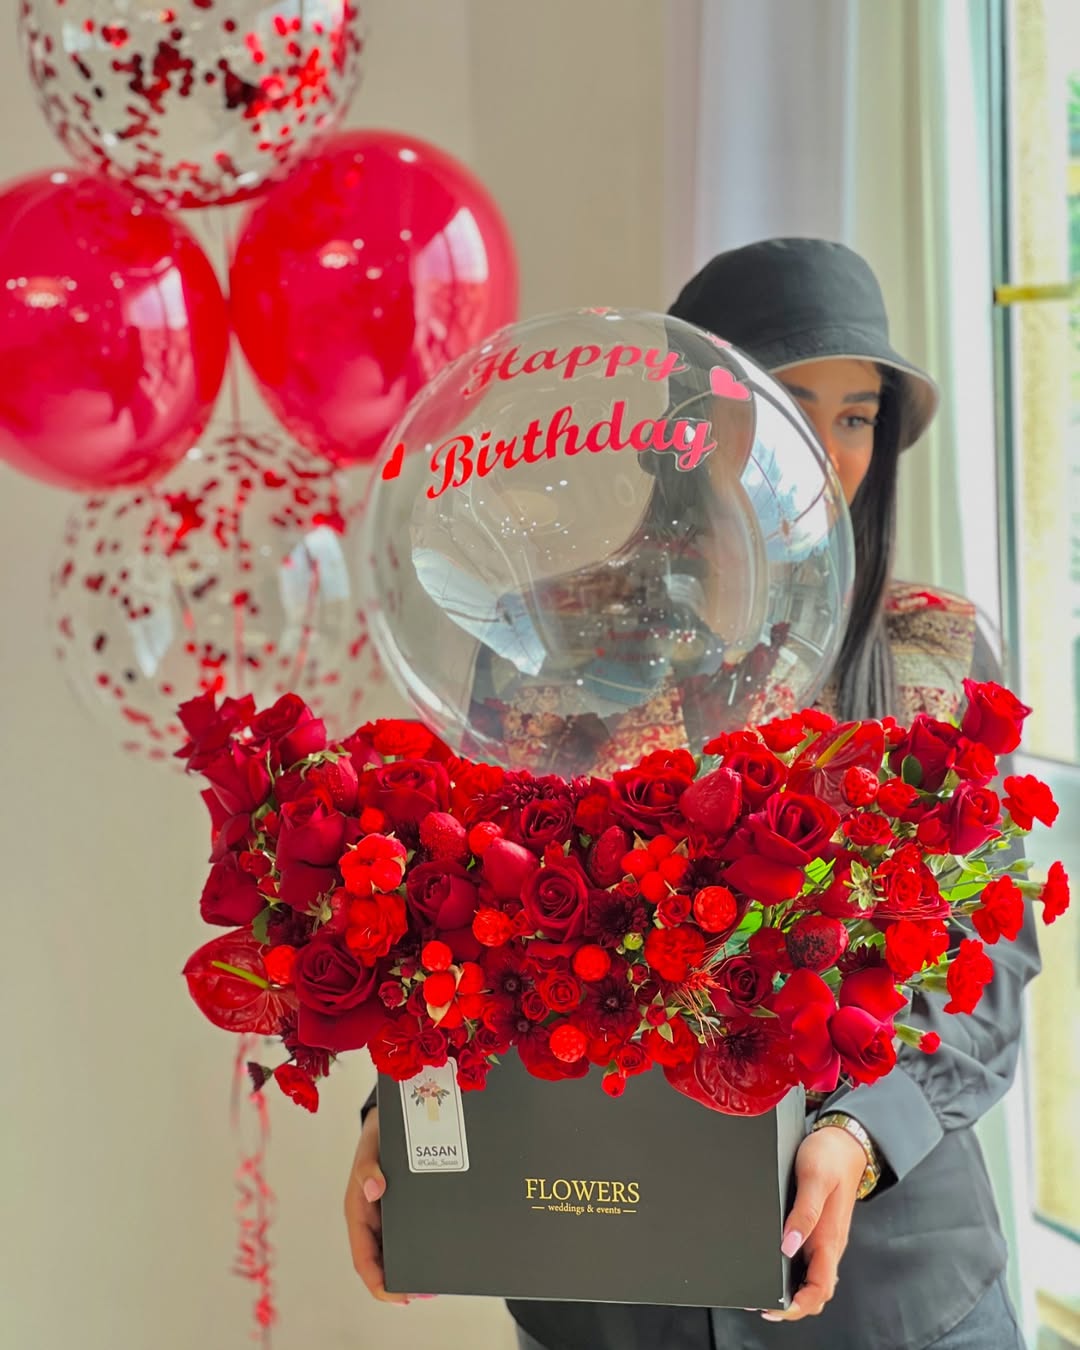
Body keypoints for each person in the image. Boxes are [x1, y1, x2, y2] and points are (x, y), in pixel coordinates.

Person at [343, 239, 1040, 1350]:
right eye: (784, 404)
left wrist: (860, 1133)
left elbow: (987, 964)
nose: (824, 451)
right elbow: (471, 931)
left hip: (891, 1285)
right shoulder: (547, 644)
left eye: (857, 416)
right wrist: (404, 1120)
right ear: (686, 420)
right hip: (613, 1272)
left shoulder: (935, 655)